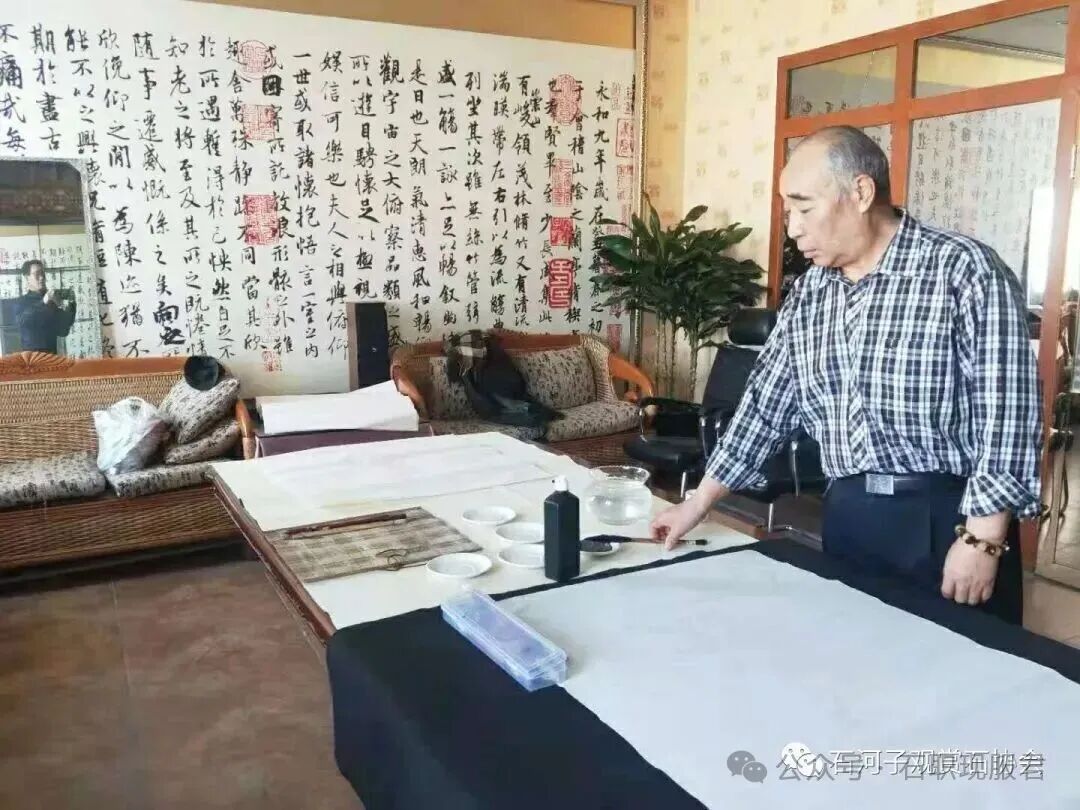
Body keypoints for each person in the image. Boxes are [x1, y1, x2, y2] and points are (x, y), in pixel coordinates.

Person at [651, 126, 1042, 625]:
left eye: (804, 208)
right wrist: (697, 502)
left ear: (860, 192)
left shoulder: (962, 270)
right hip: (848, 513)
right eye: (788, 212)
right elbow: (764, 407)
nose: (793, 229)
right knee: (856, 655)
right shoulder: (811, 292)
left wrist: (982, 538)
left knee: (963, 665)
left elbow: (1008, 412)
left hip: (946, 518)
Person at [14, 259, 76, 354]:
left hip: (51, 356)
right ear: (27, 277)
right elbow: (22, 320)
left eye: (43, 273)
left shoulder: (51, 300)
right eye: (37, 274)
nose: (42, 277)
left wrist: (71, 304)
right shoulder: (21, 301)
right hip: (32, 358)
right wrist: (43, 302)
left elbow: (63, 331)